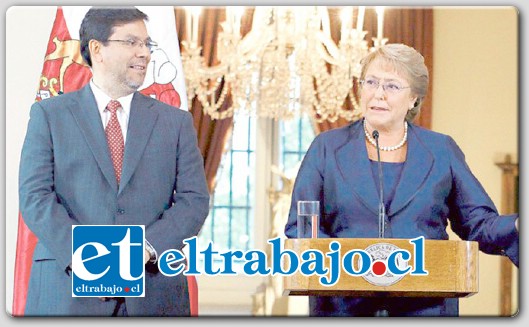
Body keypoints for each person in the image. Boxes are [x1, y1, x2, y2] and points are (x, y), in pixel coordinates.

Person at [284, 43, 519, 317]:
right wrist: (349, 266)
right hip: (343, 308)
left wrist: (516, 225)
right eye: (371, 82)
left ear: (414, 99)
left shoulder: (441, 150)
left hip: (426, 309)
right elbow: (301, 229)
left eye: (392, 86)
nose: (378, 94)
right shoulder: (326, 148)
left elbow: (477, 223)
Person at [18, 7, 210, 316]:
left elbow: (194, 201)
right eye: (131, 42)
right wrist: (89, 256)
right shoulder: (49, 116)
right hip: (66, 291)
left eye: (147, 44)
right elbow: (35, 197)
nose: (144, 53)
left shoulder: (176, 123)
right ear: (97, 49)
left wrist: (142, 249)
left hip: (154, 291)